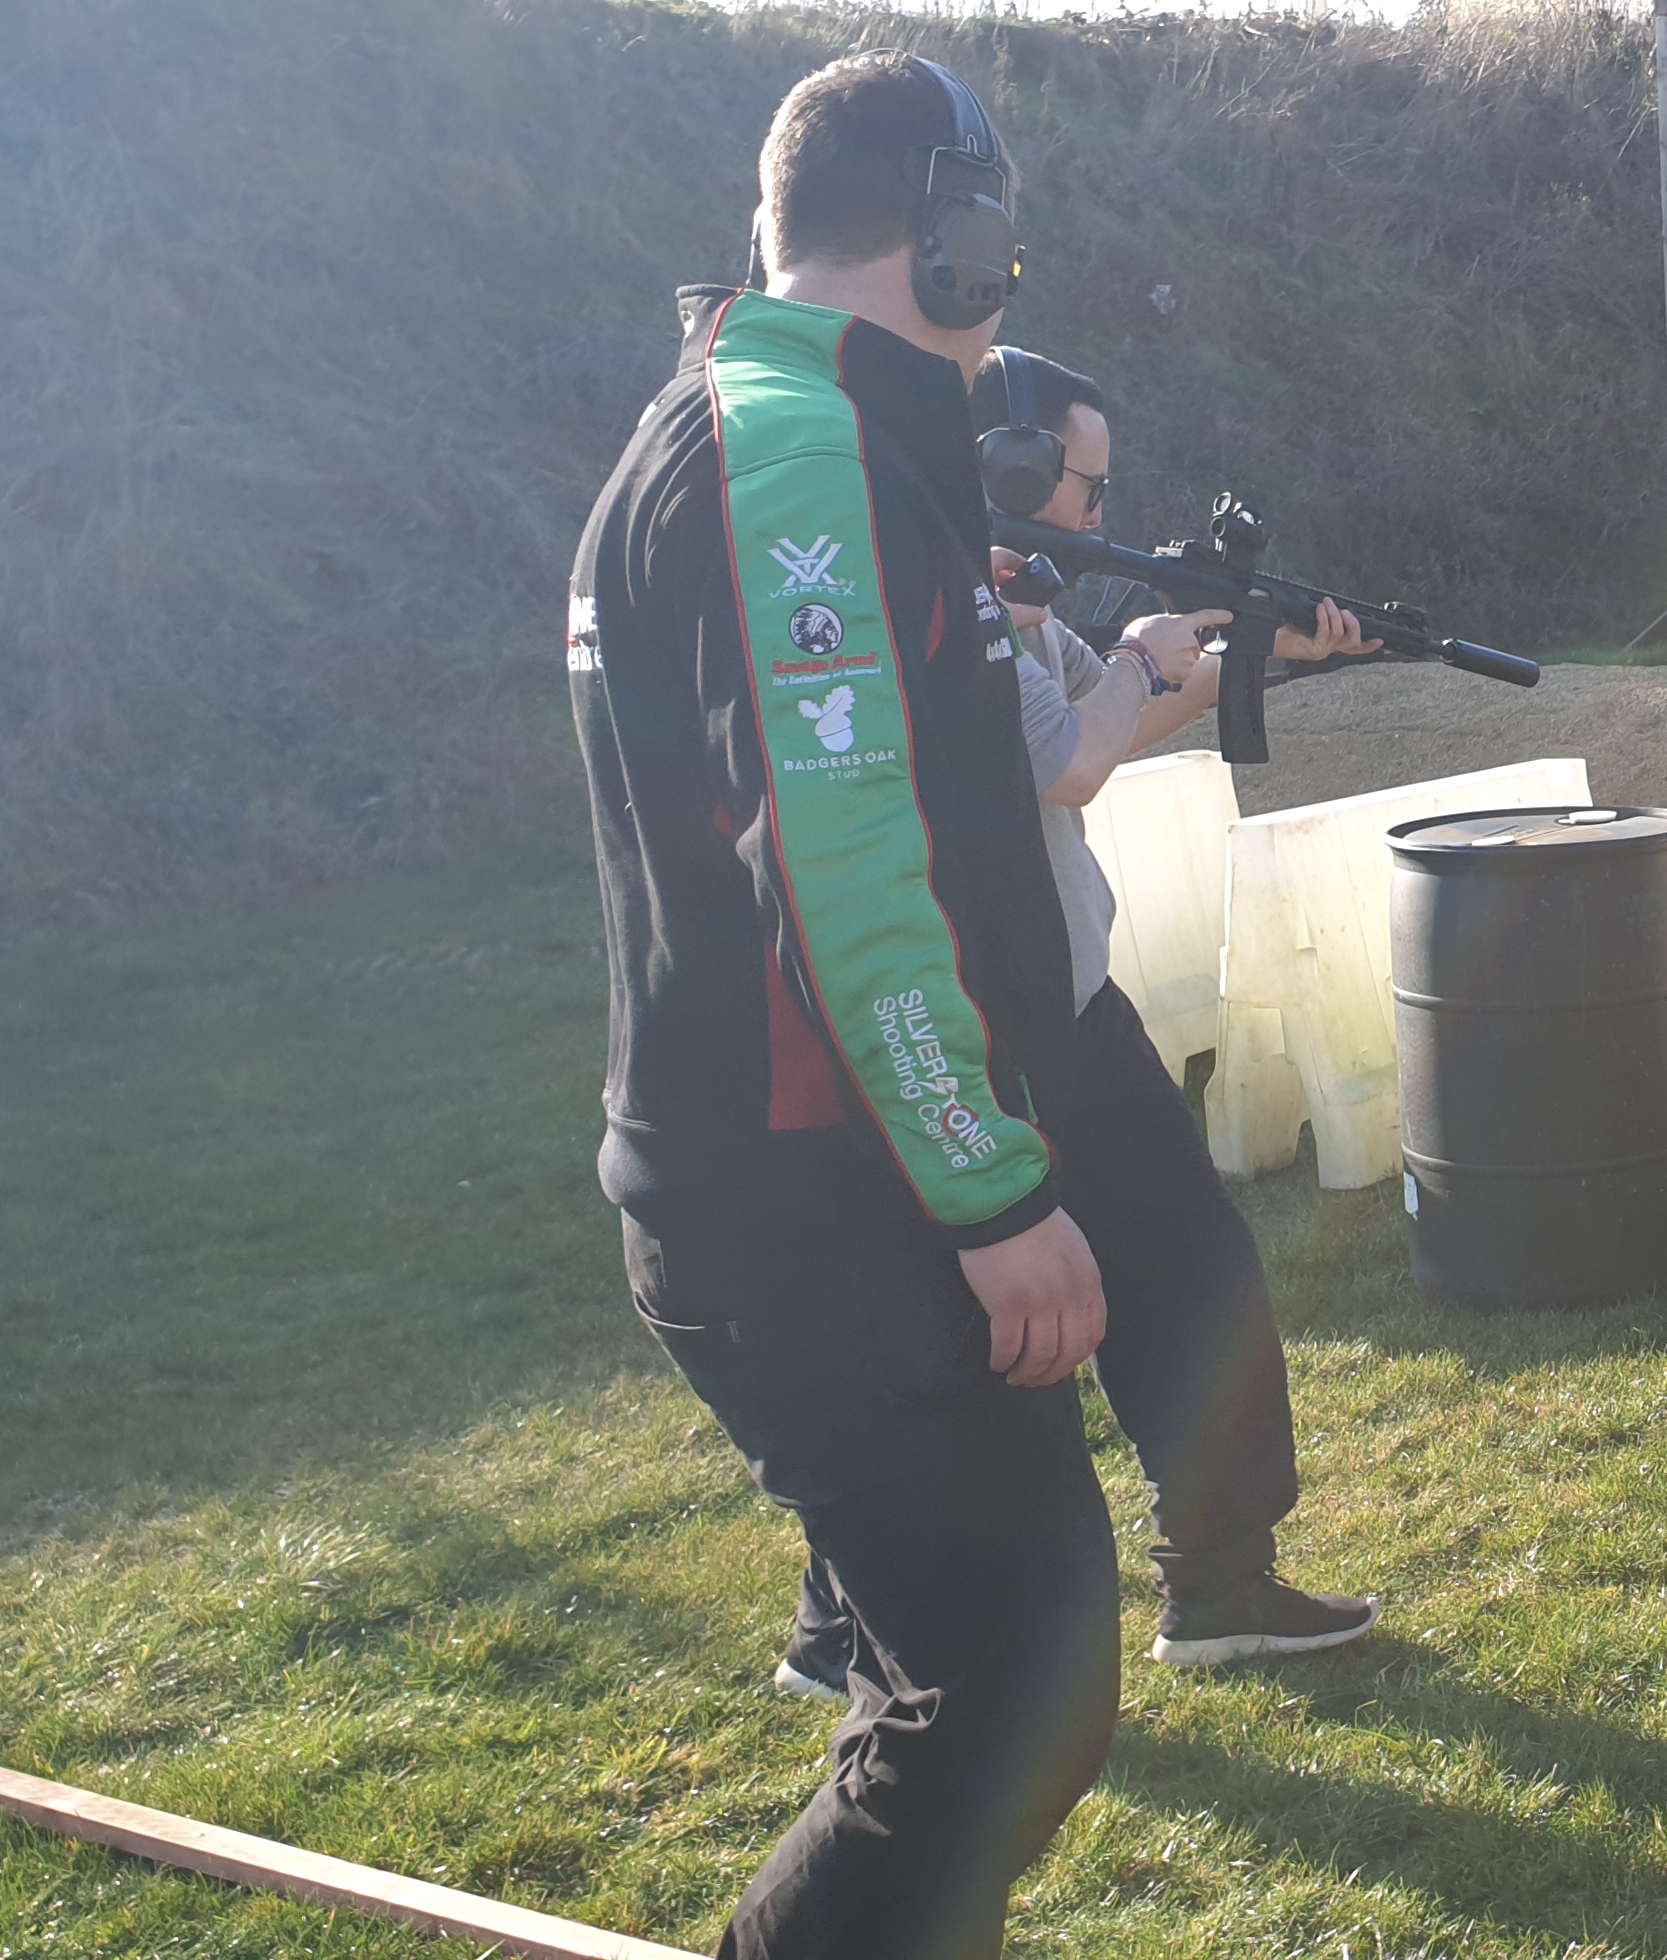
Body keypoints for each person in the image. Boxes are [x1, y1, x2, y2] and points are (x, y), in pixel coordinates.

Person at [563, 52, 1328, 1959]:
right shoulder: (798, 460)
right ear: (959, 243)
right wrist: (992, 1189)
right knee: (1004, 1685)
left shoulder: (779, 428)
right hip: (819, 1202)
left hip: (804, 1183)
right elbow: (849, 870)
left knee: (1002, 1680)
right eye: (1003, 252)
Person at [766, 345, 1379, 1702]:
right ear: (1005, 471)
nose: (1098, 517)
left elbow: (1099, 727)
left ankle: (842, 1622)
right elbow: (1074, 757)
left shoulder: (981, 592)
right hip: (1009, 1014)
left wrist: (1252, 650)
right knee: (1185, 1278)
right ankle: (1218, 1584)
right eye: (1084, 490)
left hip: (1012, 1000)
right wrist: (1152, 655)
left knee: (945, 1317)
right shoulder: (955, 597)